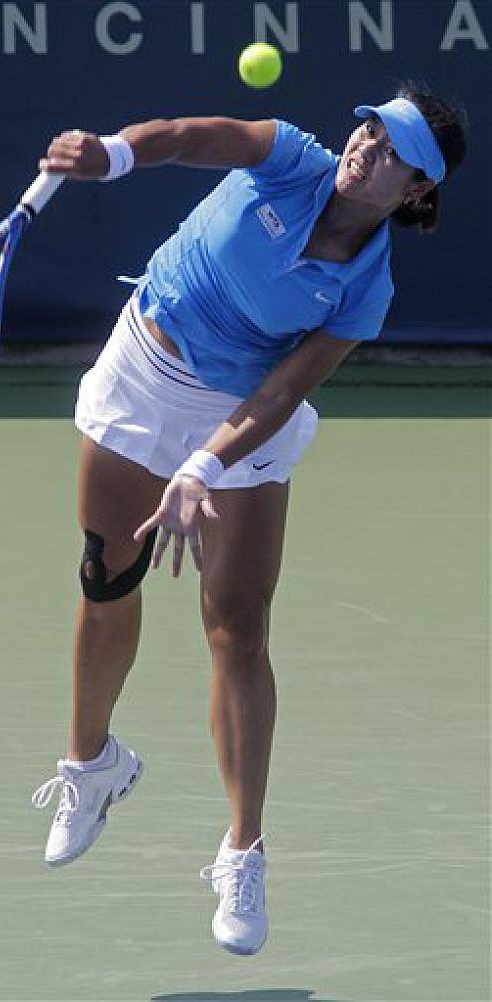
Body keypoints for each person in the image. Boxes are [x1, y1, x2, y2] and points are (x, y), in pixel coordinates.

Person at [30, 82, 466, 956]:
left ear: (418, 189)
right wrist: (114, 154)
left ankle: (243, 851)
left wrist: (202, 467)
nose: (366, 150)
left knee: (238, 629)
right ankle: (91, 765)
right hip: (144, 365)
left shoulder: (365, 289)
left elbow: (282, 391)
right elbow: (187, 134)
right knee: (106, 573)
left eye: (393, 153)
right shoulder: (290, 157)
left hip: (239, 418)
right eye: (370, 131)